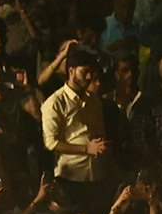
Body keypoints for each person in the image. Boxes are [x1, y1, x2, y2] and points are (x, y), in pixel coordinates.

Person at [40, 46, 110, 199]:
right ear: (71, 71)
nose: (89, 76)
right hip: (71, 177)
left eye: (91, 72)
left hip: (97, 174)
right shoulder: (55, 103)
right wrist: (86, 148)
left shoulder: (94, 100)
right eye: (84, 72)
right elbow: (50, 143)